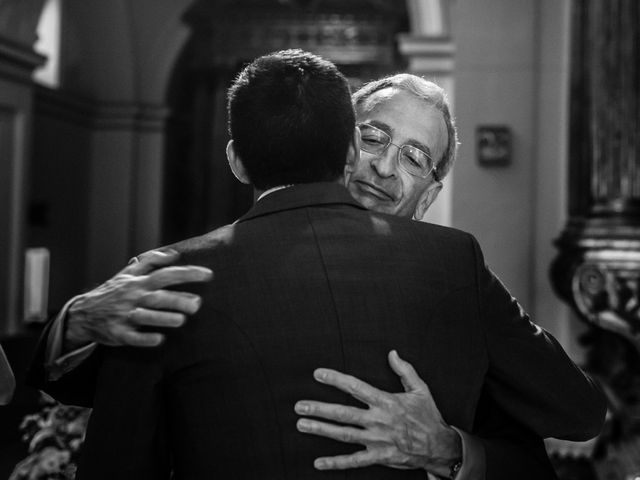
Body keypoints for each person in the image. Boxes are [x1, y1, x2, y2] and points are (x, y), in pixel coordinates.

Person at [27, 55, 605, 478]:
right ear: (340, 146)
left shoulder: (457, 272)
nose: (383, 167)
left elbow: (575, 414)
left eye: (413, 157)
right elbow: (87, 387)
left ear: (429, 194)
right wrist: (77, 318)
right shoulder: (180, 274)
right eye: (374, 137)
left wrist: (451, 448)